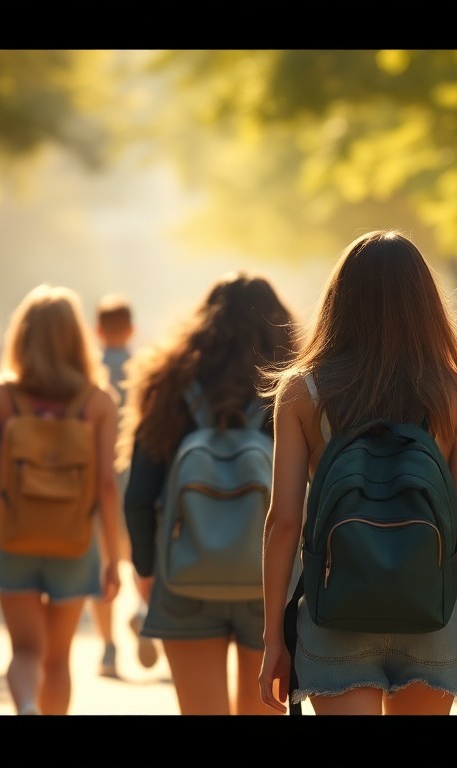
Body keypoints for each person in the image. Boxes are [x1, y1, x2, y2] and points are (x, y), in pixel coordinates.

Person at [259, 230, 457, 716]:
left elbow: (284, 522)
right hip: (431, 612)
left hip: (335, 612)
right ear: (426, 304)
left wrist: (272, 640)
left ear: (340, 302)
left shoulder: (304, 392)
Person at [118, 272, 297, 715]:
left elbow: (139, 494)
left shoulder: (170, 384)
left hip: (185, 577)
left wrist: (144, 570)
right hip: (270, 582)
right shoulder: (293, 386)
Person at [0, 284, 124, 715]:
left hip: (12, 539)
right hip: (74, 543)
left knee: (26, 651)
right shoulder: (98, 403)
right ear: (77, 339)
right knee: (58, 657)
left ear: (22, 335)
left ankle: (27, 705)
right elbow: (107, 484)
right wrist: (112, 556)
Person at [89, 293, 153, 679]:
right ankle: (144, 612)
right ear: (131, 328)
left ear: (98, 330)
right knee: (142, 560)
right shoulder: (146, 369)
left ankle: (109, 649)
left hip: (100, 483)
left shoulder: (89, 373)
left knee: (103, 565)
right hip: (140, 481)